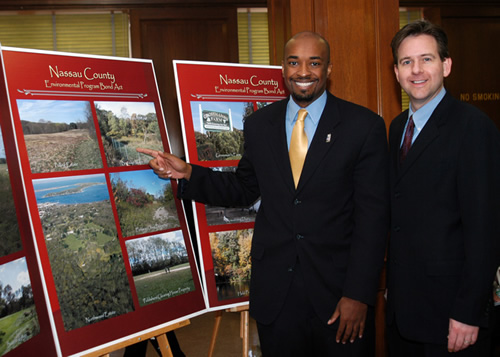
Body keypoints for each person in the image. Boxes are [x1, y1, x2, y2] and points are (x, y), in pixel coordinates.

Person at [139, 31, 389, 356]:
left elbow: (373, 219)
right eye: (293, 62)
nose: (303, 72)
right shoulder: (259, 125)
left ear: (328, 69)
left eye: (314, 63)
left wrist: (358, 295)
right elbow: (243, 188)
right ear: (282, 69)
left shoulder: (363, 126)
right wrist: (187, 172)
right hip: (277, 297)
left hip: (339, 297)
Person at [386, 19, 500, 356]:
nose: (416, 70)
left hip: (452, 319)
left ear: (446, 65)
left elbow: (486, 230)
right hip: (404, 313)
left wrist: (468, 312)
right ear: (396, 72)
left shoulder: (474, 128)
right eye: (407, 62)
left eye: (427, 59)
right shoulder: (396, 129)